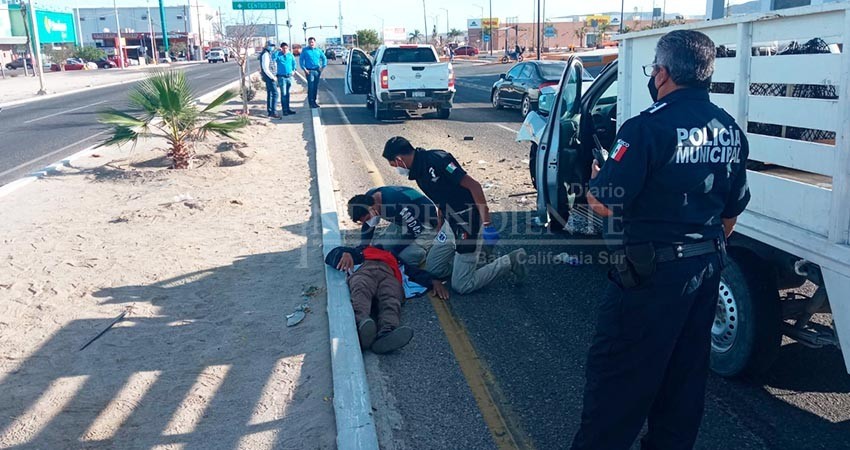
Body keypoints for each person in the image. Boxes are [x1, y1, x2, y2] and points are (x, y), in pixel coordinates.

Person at [570, 30, 751, 450]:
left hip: (649, 278)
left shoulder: (645, 128)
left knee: (617, 386)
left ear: (664, 73)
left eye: (654, 69)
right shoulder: (728, 129)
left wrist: (597, 184)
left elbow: (603, 203)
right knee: (682, 388)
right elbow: (730, 214)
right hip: (706, 272)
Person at [382, 137, 527, 295]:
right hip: (450, 222)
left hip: (468, 222)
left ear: (399, 159)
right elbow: (440, 199)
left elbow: (474, 186)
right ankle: (474, 256)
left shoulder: (437, 160)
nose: (396, 168)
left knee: (462, 285)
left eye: (394, 164)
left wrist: (487, 224)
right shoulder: (418, 172)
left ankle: (511, 261)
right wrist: (440, 223)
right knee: (434, 269)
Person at [326, 244, 449, 353]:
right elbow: (332, 254)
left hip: (389, 277)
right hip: (365, 271)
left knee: (391, 300)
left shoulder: (396, 259)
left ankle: (386, 332)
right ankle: (361, 324)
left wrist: (433, 281)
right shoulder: (361, 250)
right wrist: (345, 253)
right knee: (361, 292)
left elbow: (415, 272)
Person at [347, 186, 454, 276]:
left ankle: (429, 250)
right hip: (403, 222)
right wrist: (363, 245)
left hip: (424, 224)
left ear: (372, 207)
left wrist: (395, 251)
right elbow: (367, 226)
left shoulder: (395, 203)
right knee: (378, 247)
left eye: (368, 218)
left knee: (404, 258)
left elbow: (414, 231)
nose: (369, 222)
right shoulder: (369, 198)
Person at [299, 37, 327, 108]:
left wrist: (322, 67)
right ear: (308, 43)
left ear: (315, 42)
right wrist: (304, 69)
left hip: (317, 70)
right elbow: (301, 60)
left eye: (312, 42)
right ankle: (310, 103)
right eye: (310, 42)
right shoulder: (305, 50)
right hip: (309, 71)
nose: (311, 43)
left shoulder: (318, 50)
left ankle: (314, 101)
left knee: (315, 87)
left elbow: (324, 58)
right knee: (311, 86)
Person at [274, 42, 297, 116]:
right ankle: (284, 110)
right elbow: (273, 58)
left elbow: (294, 64)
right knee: (283, 94)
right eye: (283, 48)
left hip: (289, 77)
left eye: (286, 48)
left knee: (287, 94)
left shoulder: (290, 55)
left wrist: (294, 71)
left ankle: (288, 109)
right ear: (281, 49)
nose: (285, 50)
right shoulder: (278, 55)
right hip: (281, 77)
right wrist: (277, 51)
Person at [259, 41, 279, 118]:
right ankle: (273, 112)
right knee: (275, 94)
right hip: (270, 77)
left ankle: (270, 111)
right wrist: (273, 77)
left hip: (270, 77)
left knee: (270, 94)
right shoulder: (265, 54)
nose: (272, 47)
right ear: (267, 46)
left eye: (273, 45)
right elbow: (265, 68)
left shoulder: (269, 53)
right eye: (271, 45)